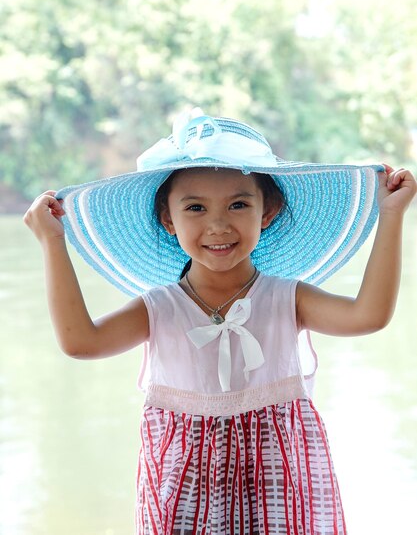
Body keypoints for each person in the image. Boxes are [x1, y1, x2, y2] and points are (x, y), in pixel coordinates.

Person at [24, 108, 416, 535]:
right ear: (168, 220)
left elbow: (369, 316)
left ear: (266, 213)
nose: (217, 224)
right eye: (195, 207)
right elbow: (81, 342)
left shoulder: (288, 298)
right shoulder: (159, 308)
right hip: (181, 494)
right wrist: (52, 243)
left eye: (238, 204)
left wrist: (391, 216)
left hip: (279, 491)